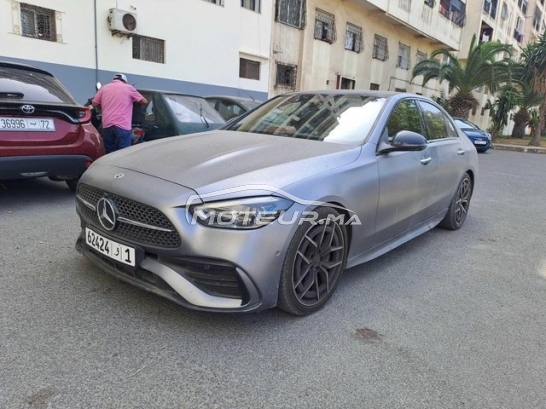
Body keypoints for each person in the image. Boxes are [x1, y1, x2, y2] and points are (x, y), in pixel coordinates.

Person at [92, 73, 147, 154]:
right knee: (124, 152)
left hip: (107, 123)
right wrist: (132, 100)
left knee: (109, 150)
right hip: (122, 124)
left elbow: (94, 103)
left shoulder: (104, 88)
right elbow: (144, 101)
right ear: (125, 81)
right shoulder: (129, 88)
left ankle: (110, 165)